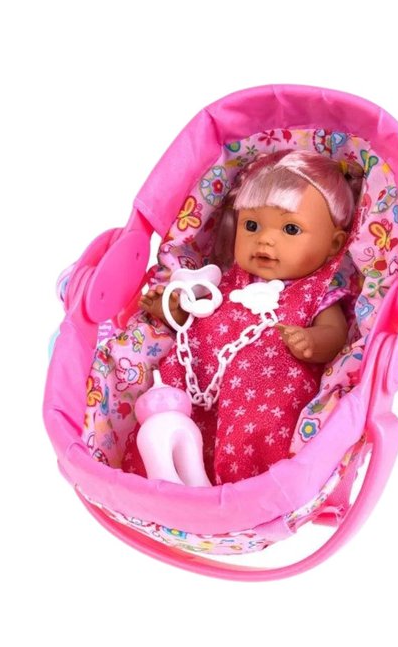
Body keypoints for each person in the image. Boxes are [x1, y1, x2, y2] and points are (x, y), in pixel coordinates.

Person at [129, 149, 359, 484]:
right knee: (164, 411)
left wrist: (312, 342)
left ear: (333, 244)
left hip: (265, 393)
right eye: (251, 225)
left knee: (263, 420)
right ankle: (168, 474)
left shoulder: (318, 294)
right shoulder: (224, 280)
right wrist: (172, 310)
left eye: (290, 229)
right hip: (195, 383)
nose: (265, 238)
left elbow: (336, 335)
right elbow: (195, 317)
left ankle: (246, 482)